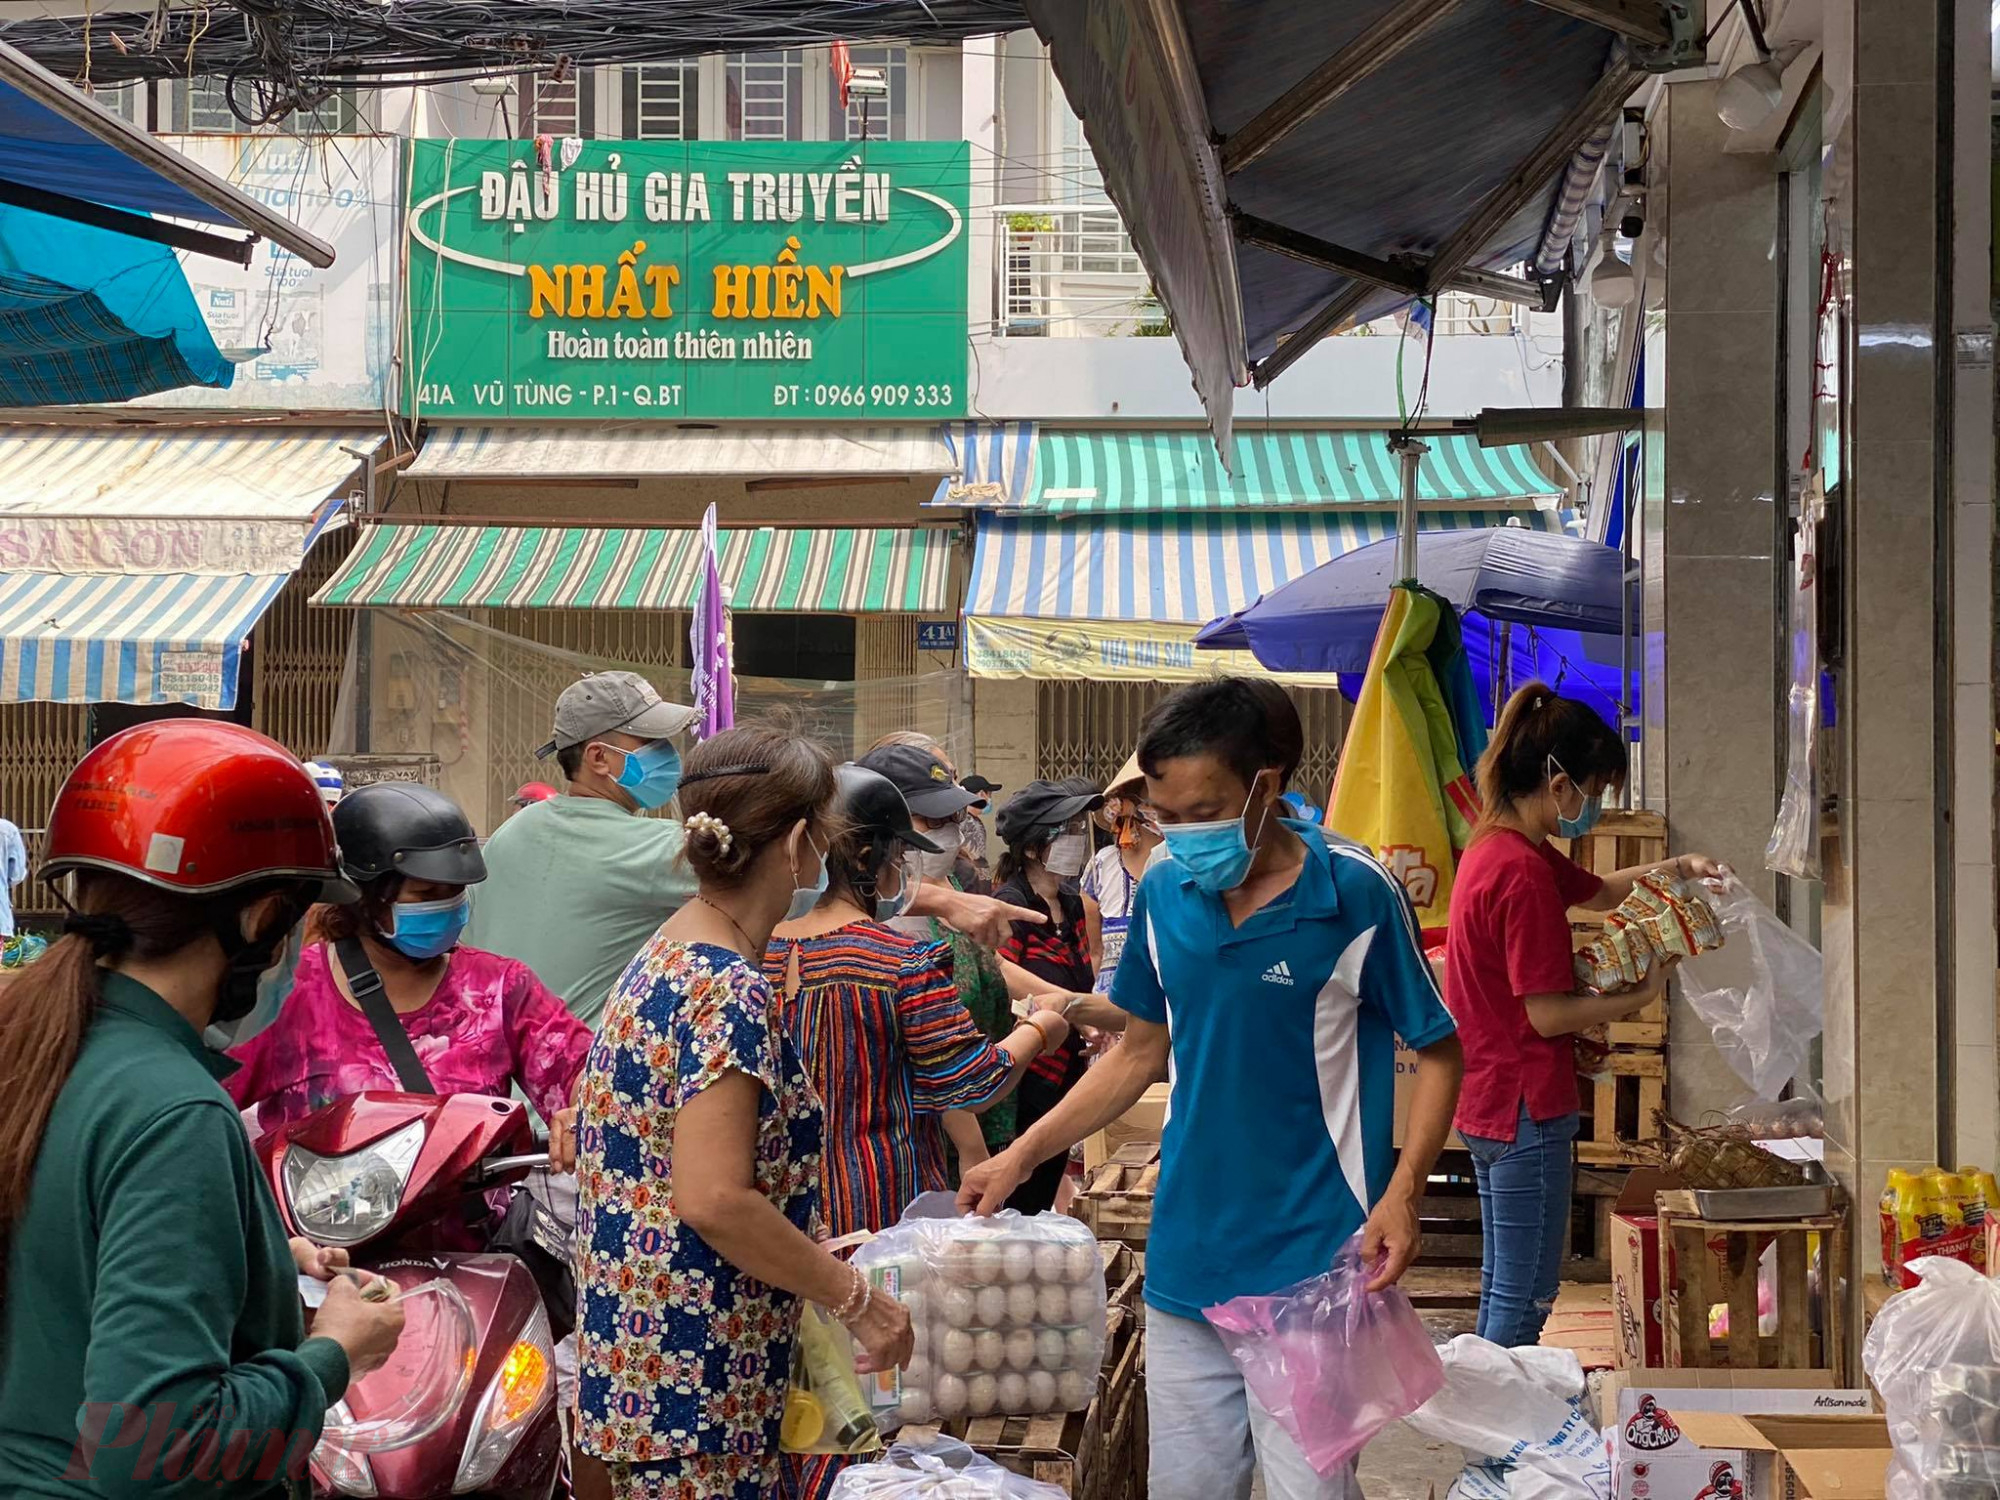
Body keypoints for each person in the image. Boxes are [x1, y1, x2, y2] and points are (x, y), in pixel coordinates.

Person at [961, 678, 1465, 1500]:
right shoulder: (1163, 886)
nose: (1182, 835)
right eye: (1168, 815)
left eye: (1204, 811)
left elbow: (1441, 1049)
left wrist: (1404, 1194)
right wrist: (1018, 1157)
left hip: (1317, 1268)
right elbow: (1136, 1053)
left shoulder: (1356, 892)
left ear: (1267, 784)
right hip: (1188, 1262)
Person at [0, 721, 406, 1498]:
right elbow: (154, 1445)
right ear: (260, 919)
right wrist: (333, 1355)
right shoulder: (174, 1114)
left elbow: (55, 1261)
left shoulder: (35, 1048)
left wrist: (248, 1257)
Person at [573, 721, 913, 1500]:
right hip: (695, 1401)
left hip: (645, 1384)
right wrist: (855, 1299)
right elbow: (714, 1197)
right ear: (798, 844)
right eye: (823, 840)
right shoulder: (726, 987)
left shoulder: (663, 951)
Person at [767, 763, 1072, 1500]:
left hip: (776, 1228)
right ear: (869, 859)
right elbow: (971, 1078)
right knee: (870, 1420)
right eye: (898, 856)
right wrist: (1041, 1029)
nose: (905, 870)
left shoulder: (761, 955)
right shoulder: (900, 959)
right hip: (876, 1229)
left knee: (797, 1412)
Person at [1445, 683, 1721, 1348]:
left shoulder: (1500, 851)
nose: (1593, 809)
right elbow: (1545, 1015)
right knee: (1526, 1297)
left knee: (1503, 1287)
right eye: (1595, 790)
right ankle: (1501, 1445)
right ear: (1560, 783)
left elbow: (1599, 893)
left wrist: (1680, 869)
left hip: (1489, 1098)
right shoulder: (1522, 875)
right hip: (1526, 1102)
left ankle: (1490, 1432)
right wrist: (1639, 995)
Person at [225, 782, 593, 1165]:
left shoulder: (501, 988)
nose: (447, 905)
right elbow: (209, 1096)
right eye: (426, 893)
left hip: (475, 1224)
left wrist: (581, 1112)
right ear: (363, 896)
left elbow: (583, 1072)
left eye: (455, 891)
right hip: (316, 1224)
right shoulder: (290, 989)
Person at [991, 779, 1105, 1215]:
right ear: (1034, 848)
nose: (1078, 838)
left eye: (1080, 827)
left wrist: (1091, 1017)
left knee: (1045, 1184)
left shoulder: (1074, 905)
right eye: (1066, 830)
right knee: (1017, 1191)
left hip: (1066, 1071)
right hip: (1025, 1075)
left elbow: (1084, 973)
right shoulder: (1012, 905)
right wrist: (1073, 1010)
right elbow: (1003, 978)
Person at [1080, 751, 1162, 995]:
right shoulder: (1102, 866)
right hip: (1112, 1003)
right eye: (1155, 796)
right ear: (1125, 805)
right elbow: (1096, 952)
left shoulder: (1181, 862)